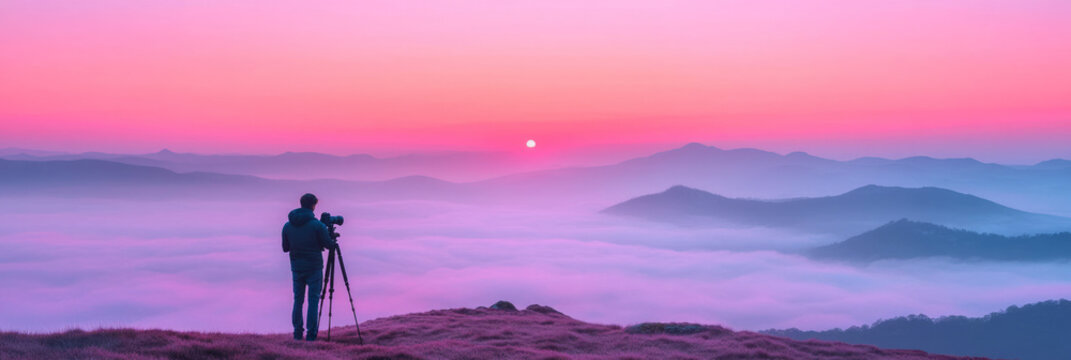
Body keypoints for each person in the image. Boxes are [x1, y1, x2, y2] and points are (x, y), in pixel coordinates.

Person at [282, 193, 338, 341]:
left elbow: (285, 248)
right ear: (313, 206)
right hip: (314, 268)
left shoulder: (287, 225)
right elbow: (329, 245)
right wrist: (331, 237)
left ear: (301, 204)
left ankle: (297, 334)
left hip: (296, 267)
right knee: (313, 300)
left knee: (298, 300)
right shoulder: (317, 225)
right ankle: (311, 335)